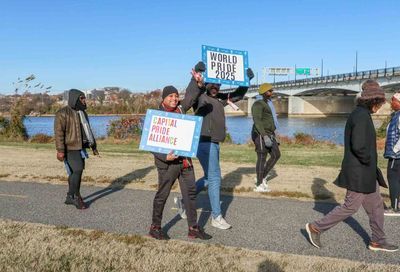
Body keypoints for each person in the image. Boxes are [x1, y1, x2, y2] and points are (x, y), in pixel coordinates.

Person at [305, 80, 398, 252]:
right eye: (379, 102)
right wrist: (370, 161)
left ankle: (377, 241)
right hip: (359, 173)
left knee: (377, 205)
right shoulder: (361, 116)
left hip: (366, 172)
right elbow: (359, 146)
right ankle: (315, 228)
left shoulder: (360, 114)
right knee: (350, 207)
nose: (380, 106)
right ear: (372, 101)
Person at [175, 67, 255, 230]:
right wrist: (196, 75)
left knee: (209, 177)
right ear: (207, 84)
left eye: (218, 85)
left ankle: (184, 200)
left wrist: (246, 81)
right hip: (204, 142)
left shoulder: (220, 98)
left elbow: (238, 95)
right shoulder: (200, 96)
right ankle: (216, 217)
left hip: (215, 142)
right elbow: (191, 94)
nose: (215, 87)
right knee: (214, 178)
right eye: (212, 84)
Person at [149, 63, 212, 240]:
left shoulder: (181, 109)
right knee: (162, 195)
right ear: (164, 98)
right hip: (167, 163)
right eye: (171, 96)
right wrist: (164, 156)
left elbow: (191, 96)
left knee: (190, 194)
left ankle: (193, 228)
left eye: (176, 96)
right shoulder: (157, 115)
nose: (175, 99)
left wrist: (197, 80)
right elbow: (151, 142)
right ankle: (155, 227)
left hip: (185, 162)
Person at [54, 89, 99, 209]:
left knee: (76, 172)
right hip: (70, 147)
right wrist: (60, 150)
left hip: (81, 147)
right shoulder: (62, 113)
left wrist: (94, 146)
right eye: (82, 98)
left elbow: (87, 130)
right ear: (75, 99)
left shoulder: (82, 113)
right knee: (78, 170)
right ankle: (76, 197)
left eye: (84, 98)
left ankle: (70, 196)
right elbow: (58, 134)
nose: (84, 101)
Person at [251, 83, 280, 193]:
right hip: (260, 134)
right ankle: (258, 185)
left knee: (276, 155)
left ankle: (261, 177)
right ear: (264, 92)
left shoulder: (267, 103)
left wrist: (273, 136)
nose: (272, 92)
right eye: (270, 91)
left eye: (272, 90)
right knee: (262, 158)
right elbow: (257, 121)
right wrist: (264, 136)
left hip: (270, 134)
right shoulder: (258, 104)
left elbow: (269, 120)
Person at [383, 91, 400, 216]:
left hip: (396, 155)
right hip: (394, 154)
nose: (391, 102)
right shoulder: (396, 115)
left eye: (393, 100)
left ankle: (394, 208)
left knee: (393, 178)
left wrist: (395, 150)